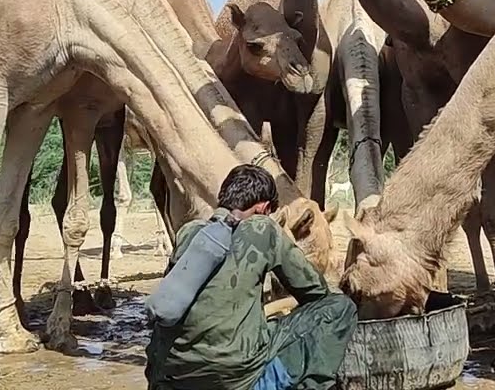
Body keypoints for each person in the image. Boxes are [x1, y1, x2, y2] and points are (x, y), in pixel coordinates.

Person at [145, 164, 358, 390]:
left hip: (167, 376)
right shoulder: (263, 228)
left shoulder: (189, 232)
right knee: (340, 308)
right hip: (232, 377)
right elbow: (315, 292)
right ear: (263, 208)